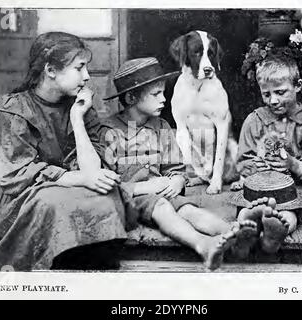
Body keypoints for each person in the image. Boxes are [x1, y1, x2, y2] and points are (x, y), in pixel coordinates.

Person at [94, 57, 262, 270]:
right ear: (130, 97)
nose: (164, 99)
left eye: (163, 92)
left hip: (162, 193)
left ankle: (233, 231)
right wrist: (141, 187)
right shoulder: (108, 132)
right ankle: (203, 244)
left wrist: (177, 180)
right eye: (156, 94)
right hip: (128, 203)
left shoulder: (161, 126)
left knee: (188, 209)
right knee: (162, 206)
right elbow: (101, 182)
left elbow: (176, 168)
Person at [0, 32, 127, 271]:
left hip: (64, 186)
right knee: (53, 202)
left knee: (107, 193)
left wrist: (77, 119)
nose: (87, 76)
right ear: (50, 71)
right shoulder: (14, 109)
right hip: (21, 195)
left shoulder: (79, 106)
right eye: (79, 68)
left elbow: (93, 172)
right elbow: (15, 175)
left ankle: (88, 268)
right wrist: (80, 178)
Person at [230, 53, 302, 254]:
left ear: (298, 86)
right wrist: (258, 166)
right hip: (257, 191)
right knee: (247, 208)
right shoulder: (253, 120)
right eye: (266, 94)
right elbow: (243, 161)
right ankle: (246, 227)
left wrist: (293, 164)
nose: (273, 100)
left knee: (289, 213)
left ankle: (275, 234)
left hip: (296, 192)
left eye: (281, 92)